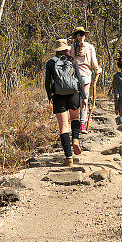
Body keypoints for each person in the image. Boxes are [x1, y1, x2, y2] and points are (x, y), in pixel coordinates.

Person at [45, 38, 87, 166]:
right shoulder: (72, 61)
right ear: (67, 50)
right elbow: (79, 79)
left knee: (63, 126)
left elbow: (47, 82)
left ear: (56, 50)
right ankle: (75, 140)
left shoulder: (51, 63)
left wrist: (50, 96)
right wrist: (84, 97)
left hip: (58, 96)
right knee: (75, 118)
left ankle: (69, 157)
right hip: (73, 94)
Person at [68, 27, 102, 135]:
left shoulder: (71, 48)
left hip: (74, 76)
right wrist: (98, 70)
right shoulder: (89, 47)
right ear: (84, 35)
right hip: (86, 76)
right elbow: (94, 63)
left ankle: (76, 121)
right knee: (84, 99)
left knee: (76, 99)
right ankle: (82, 123)